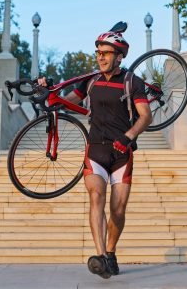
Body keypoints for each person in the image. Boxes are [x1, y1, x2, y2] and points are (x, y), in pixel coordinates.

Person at [39, 23, 152, 279]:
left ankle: (110, 252)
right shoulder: (90, 81)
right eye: (98, 52)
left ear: (119, 56)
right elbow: (67, 102)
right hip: (95, 149)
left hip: (122, 151)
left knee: (118, 210)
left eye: (106, 52)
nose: (101, 56)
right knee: (96, 197)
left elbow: (146, 116)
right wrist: (48, 91)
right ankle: (100, 255)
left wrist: (129, 136)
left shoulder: (132, 82)